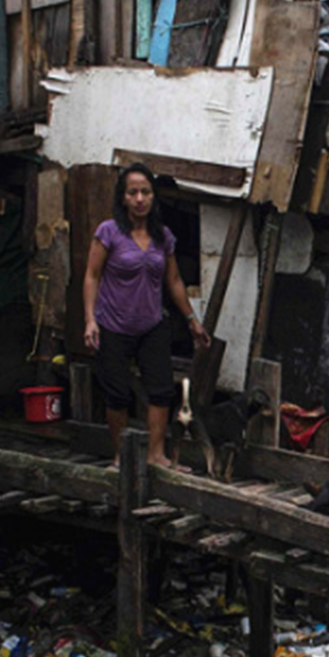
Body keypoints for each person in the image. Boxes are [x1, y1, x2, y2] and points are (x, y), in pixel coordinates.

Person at [83, 164, 210, 471]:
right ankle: (121, 456)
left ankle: (156, 455)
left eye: (145, 192)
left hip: (152, 324)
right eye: (133, 192)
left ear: (153, 197)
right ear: (123, 198)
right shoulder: (108, 232)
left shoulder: (162, 237)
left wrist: (192, 319)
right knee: (116, 393)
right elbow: (92, 275)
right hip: (112, 324)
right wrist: (90, 319)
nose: (139, 198)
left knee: (161, 389)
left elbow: (175, 280)